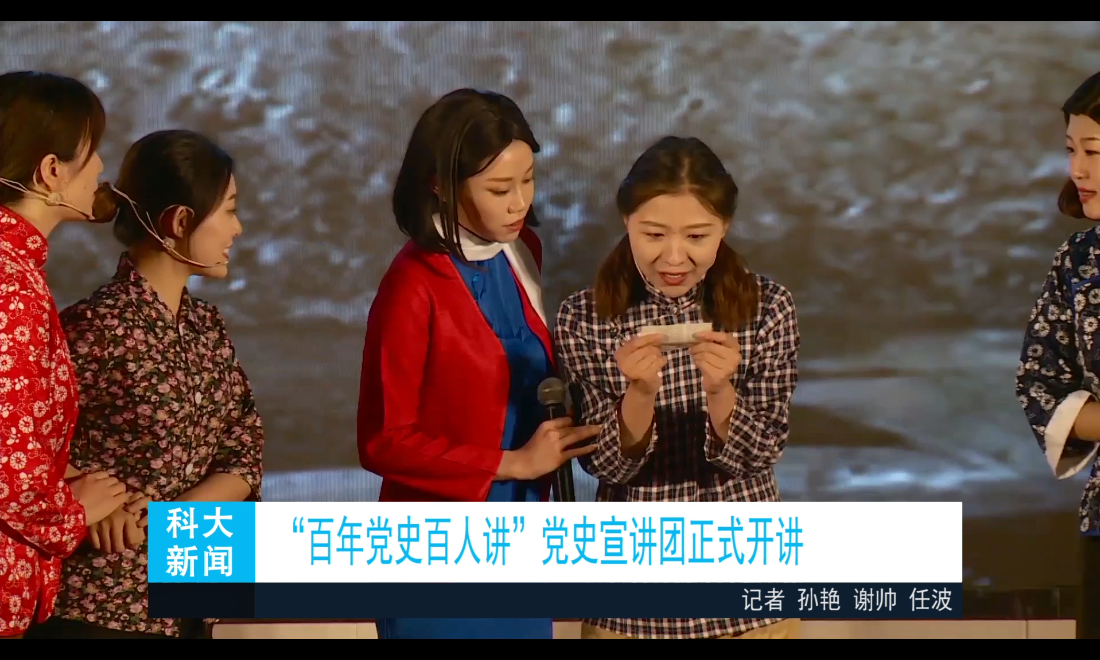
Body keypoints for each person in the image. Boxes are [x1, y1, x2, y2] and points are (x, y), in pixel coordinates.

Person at [357, 88, 600, 640]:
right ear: (440, 185)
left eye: (528, 180)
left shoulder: (523, 250)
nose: (519, 203)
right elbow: (383, 441)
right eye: (498, 189)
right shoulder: (412, 286)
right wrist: (512, 463)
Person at [554, 136, 801, 639]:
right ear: (627, 221)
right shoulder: (584, 316)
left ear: (724, 227)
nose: (674, 257)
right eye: (653, 234)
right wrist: (639, 394)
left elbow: (763, 450)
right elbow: (606, 467)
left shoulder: (768, 307)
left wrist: (721, 392)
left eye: (696, 236)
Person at [23, 129, 265, 640]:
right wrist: (93, 500)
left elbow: (244, 445)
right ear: (180, 222)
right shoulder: (95, 326)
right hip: (102, 608)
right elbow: (26, 442)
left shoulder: (206, 325)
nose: (237, 228)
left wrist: (173, 518)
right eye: (229, 211)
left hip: (196, 598)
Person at [0, 70, 131, 640]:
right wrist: (76, 510)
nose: (100, 166)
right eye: (91, 150)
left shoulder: (18, 269)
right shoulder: (9, 283)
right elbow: (8, 463)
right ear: (51, 170)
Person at [1015, 70, 1100, 639]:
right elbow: (1038, 384)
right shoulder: (1079, 260)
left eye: (1093, 152)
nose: (1078, 170)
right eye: (1072, 150)